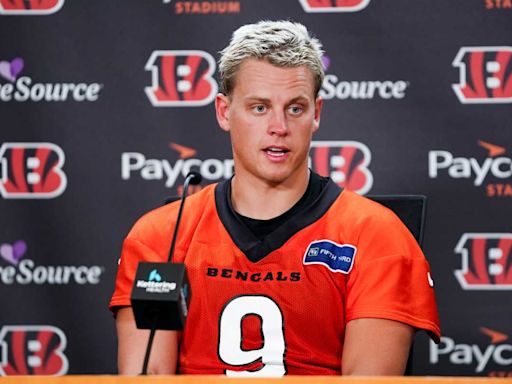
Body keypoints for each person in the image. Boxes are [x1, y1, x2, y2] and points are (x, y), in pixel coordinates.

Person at [110, 20, 440, 376]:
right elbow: (148, 377)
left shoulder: (377, 236)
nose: (279, 127)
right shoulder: (159, 236)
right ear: (224, 111)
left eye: (295, 108)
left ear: (317, 114)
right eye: (259, 107)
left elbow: (367, 382)